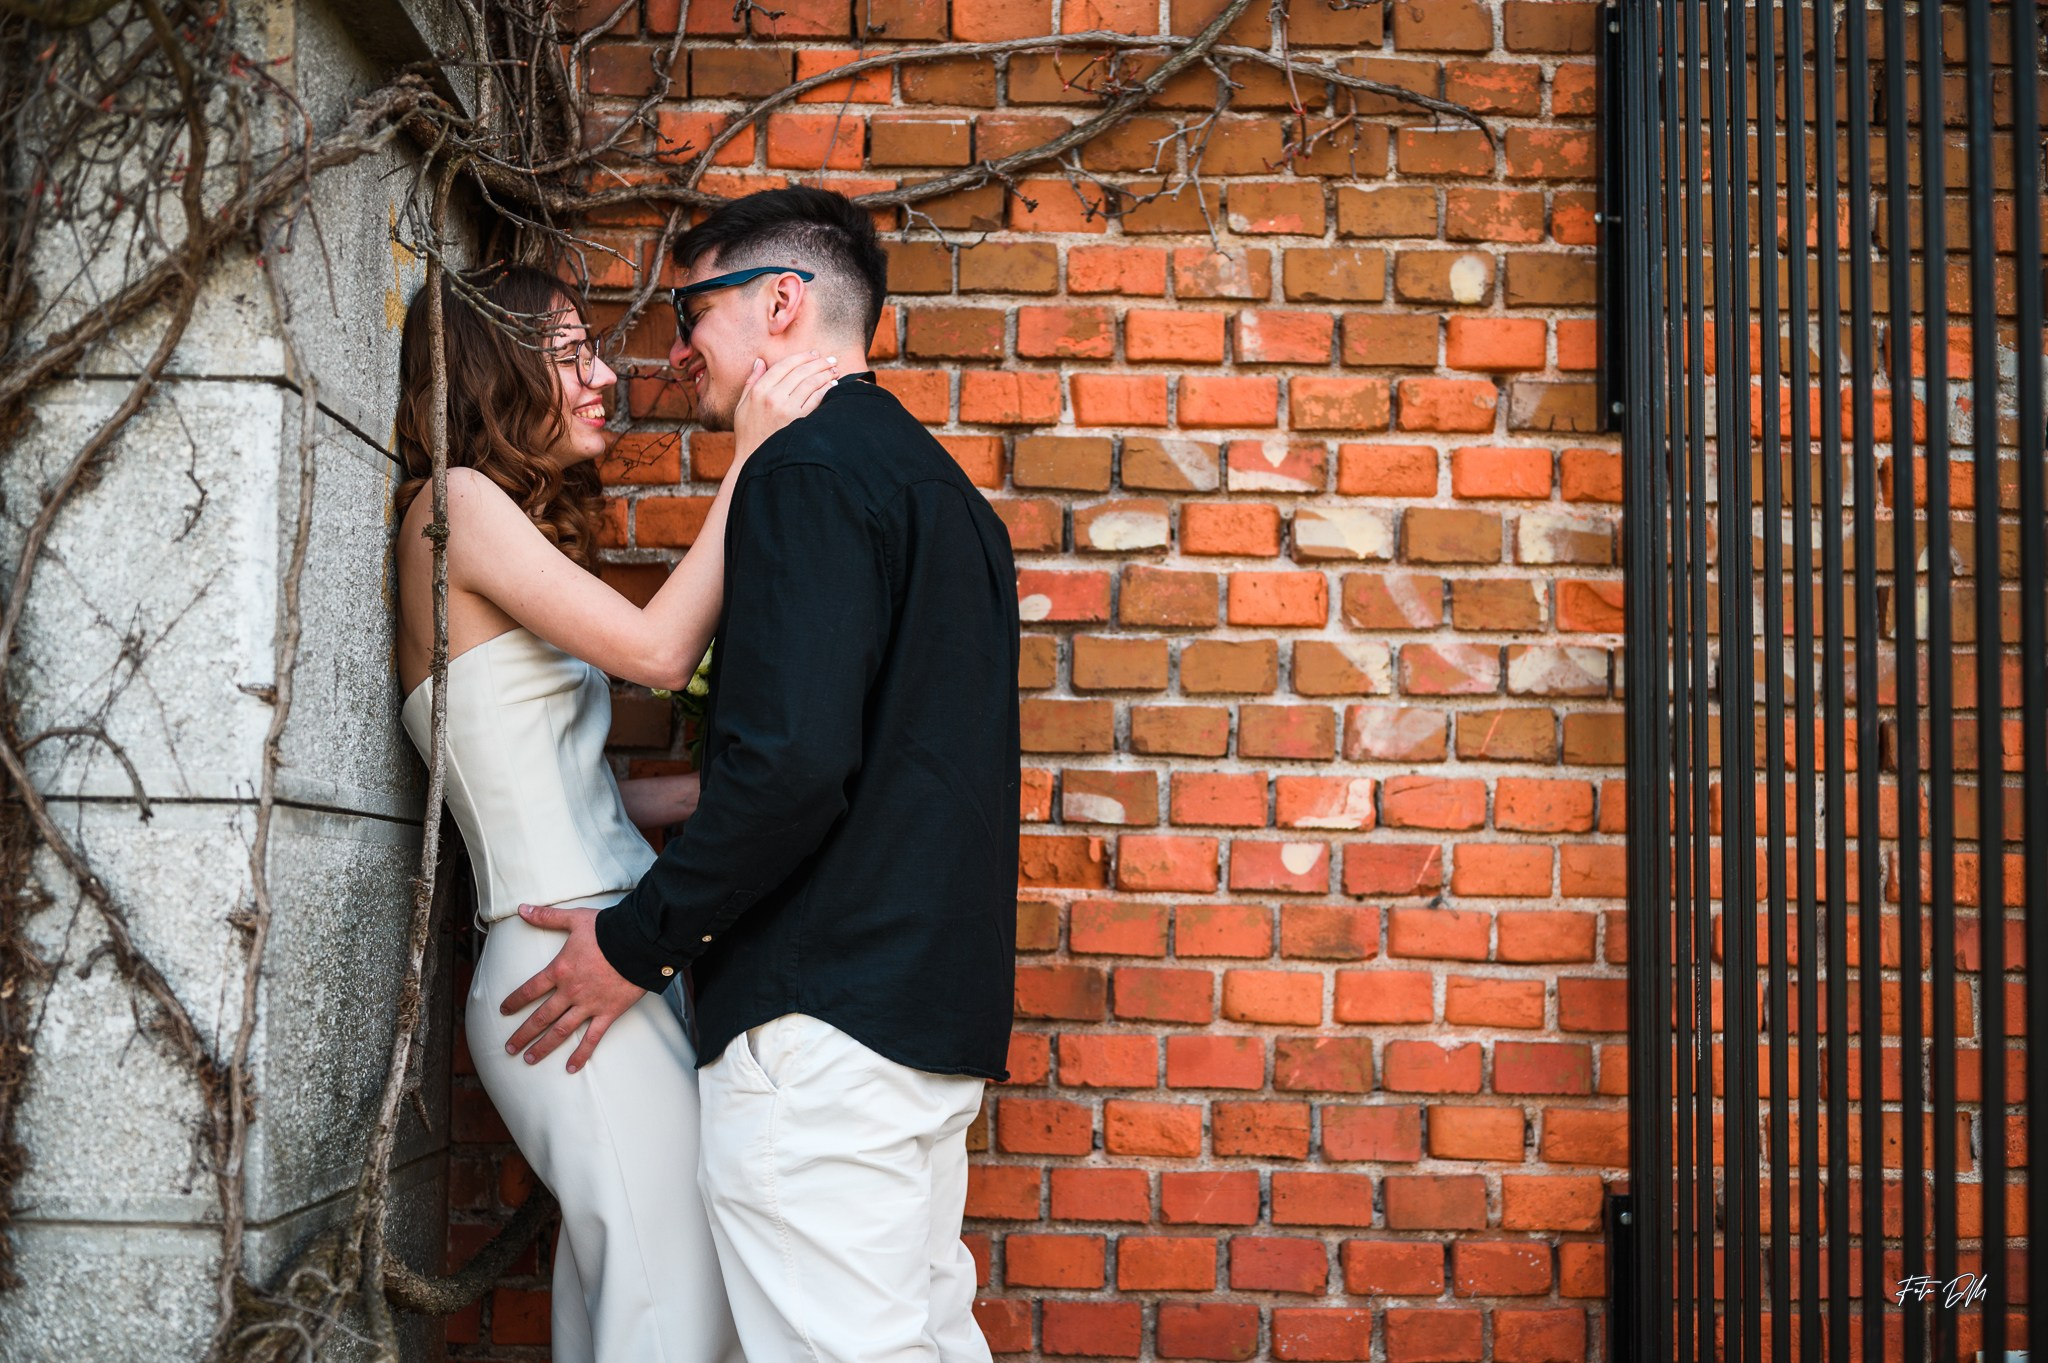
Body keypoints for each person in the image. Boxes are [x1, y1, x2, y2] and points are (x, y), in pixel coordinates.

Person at [499, 186, 1023, 1362]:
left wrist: (632, 946)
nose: (676, 351)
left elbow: (789, 771)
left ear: (781, 302)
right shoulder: (945, 494)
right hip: (925, 1022)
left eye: (692, 309)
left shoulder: (799, 473)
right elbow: (884, 760)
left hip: (818, 1031)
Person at [390, 260, 837, 1362]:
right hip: (562, 965)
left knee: (631, 1303)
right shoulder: (453, 504)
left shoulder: (485, 520)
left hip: (606, 950)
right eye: (573, 353)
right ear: (499, 367)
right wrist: (755, 458)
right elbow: (655, 650)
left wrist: (754, 786)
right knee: (671, 1311)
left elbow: (554, 779)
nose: (604, 378)